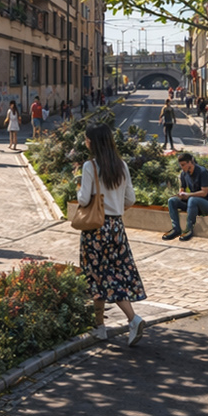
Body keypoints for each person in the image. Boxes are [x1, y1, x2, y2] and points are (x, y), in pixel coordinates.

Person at [76, 123, 147, 345]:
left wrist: (78, 187)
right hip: (116, 227)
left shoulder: (90, 166)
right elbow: (131, 199)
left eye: (87, 139)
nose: (85, 142)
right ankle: (100, 327)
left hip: (96, 229)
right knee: (111, 273)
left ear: (93, 142)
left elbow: (83, 200)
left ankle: (132, 318)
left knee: (99, 275)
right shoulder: (121, 166)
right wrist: (116, 208)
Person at [165, 151, 208, 241]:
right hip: (192, 204)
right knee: (172, 201)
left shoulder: (202, 172)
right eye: (181, 165)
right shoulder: (183, 174)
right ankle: (176, 229)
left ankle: (188, 230)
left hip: (207, 204)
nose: (182, 167)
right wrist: (180, 195)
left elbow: (204, 192)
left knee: (192, 199)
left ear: (190, 162)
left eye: (183, 165)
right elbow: (182, 189)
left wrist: (188, 195)